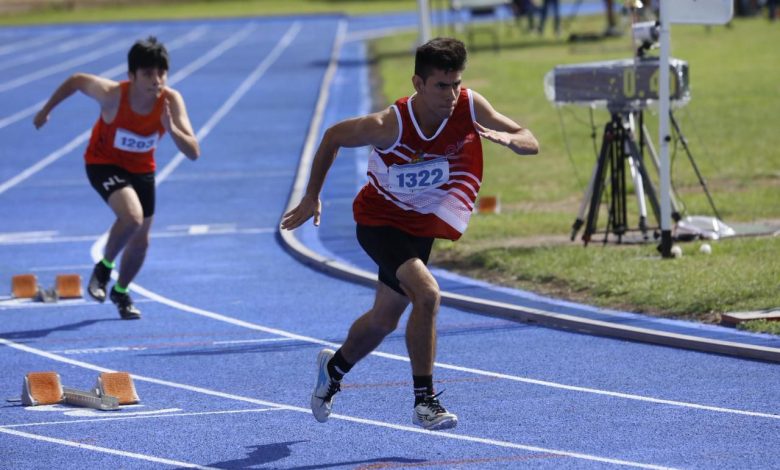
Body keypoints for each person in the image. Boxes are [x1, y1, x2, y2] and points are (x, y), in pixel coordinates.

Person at [281, 37, 538, 430]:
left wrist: (512, 140)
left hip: (421, 230)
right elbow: (333, 136)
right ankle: (424, 401)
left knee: (383, 320)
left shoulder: (469, 105)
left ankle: (332, 370)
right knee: (429, 294)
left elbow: (528, 138)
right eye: (441, 85)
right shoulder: (390, 124)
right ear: (418, 83)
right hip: (379, 222)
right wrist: (312, 196)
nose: (451, 94)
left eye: (456, 83)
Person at [34, 36, 200, 320]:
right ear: (131, 76)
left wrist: (172, 129)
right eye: (148, 73)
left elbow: (193, 152)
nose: (156, 80)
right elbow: (76, 80)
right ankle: (104, 267)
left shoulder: (171, 101)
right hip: (103, 163)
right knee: (132, 218)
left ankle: (121, 291)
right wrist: (46, 110)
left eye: (161, 73)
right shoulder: (112, 94)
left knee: (142, 240)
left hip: (142, 168)